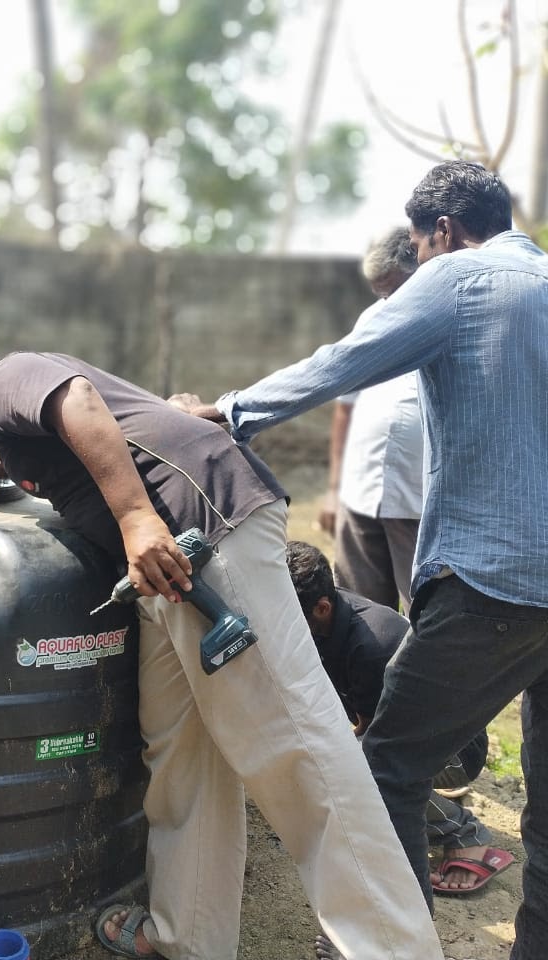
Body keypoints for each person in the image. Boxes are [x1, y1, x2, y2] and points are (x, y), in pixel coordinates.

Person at [0, 353, 443, 960]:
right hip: (166, 576)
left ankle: (394, 948)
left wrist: (137, 519)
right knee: (180, 752)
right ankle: (186, 939)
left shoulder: (2, 385)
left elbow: (76, 398)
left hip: (204, 538)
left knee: (297, 746)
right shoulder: (29, 445)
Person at [174, 160, 547, 960]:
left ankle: (391, 947)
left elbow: (343, 359)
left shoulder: (460, 278)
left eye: (419, 245)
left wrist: (229, 412)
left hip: (496, 581)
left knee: (388, 773)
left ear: (441, 232)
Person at [285, 540, 512, 895]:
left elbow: (380, 741)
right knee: (335, 760)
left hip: (456, 750)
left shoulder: (368, 647)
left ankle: (462, 830)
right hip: (419, 732)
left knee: (355, 769)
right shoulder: (328, 614)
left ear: (322, 607)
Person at [317, 227, 422, 613]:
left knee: (425, 618)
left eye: (391, 289)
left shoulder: (449, 315)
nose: (385, 300)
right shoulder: (372, 318)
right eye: (378, 292)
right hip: (359, 491)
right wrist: (332, 490)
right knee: (360, 612)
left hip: (418, 500)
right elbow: (345, 406)